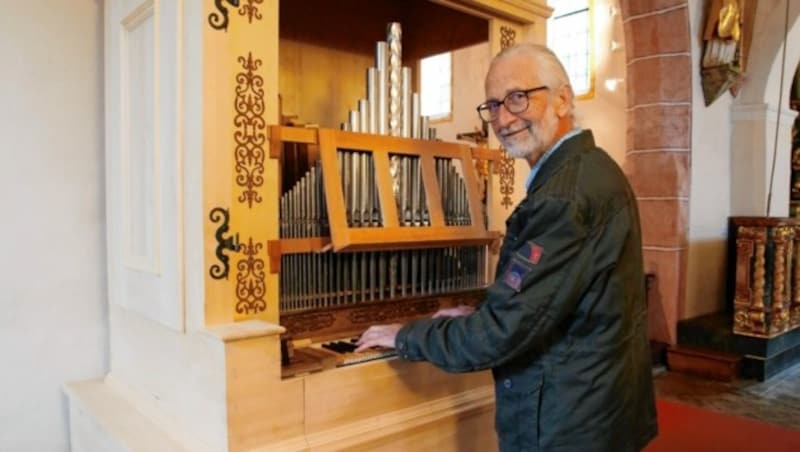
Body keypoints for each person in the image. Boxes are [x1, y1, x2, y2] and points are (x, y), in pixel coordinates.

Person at [356, 43, 657, 451]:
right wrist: (485, 310)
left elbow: (502, 333)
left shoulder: (563, 197)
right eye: (494, 105)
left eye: (518, 97)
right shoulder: (593, 169)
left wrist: (408, 336)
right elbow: (557, 298)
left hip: (566, 422)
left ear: (563, 98)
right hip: (597, 405)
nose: (503, 117)